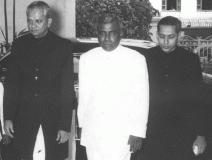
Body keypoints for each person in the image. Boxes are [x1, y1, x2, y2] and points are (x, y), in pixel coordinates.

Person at [3, 1, 74, 160]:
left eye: (38, 21)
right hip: (25, 118)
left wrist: (64, 126)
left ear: (49, 21)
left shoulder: (63, 47)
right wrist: (8, 116)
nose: (33, 25)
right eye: (30, 21)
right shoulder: (19, 44)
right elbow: (12, 84)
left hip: (52, 119)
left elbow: (66, 89)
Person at [77, 14, 150, 160]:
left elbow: (141, 99)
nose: (107, 38)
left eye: (112, 33)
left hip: (121, 133)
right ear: (97, 34)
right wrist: (81, 125)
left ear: (120, 33)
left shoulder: (136, 59)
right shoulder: (86, 58)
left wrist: (138, 132)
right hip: (93, 132)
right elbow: (84, 95)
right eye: (102, 33)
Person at [136, 16, 207, 160]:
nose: (165, 42)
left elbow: (198, 99)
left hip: (182, 134)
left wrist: (201, 134)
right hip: (152, 133)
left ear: (179, 36)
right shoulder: (146, 58)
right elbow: (137, 97)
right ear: (157, 35)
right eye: (162, 37)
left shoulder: (190, 59)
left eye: (171, 37)